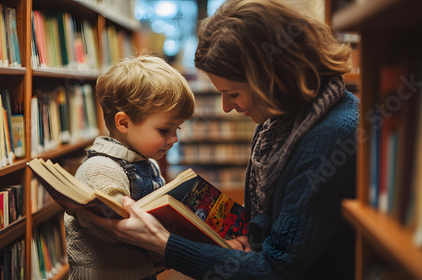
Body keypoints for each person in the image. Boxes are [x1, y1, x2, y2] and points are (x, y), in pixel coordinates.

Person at [87, 0, 359, 279]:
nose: (226, 107)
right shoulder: (282, 121)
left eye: (233, 93)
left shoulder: (330, 137)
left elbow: (278, 269)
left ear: (269, 78)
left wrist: (163, 243)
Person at [64, 55, 195, 280]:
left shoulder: (148, 163)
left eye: (178, 129)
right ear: (124, 123)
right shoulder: (99, 169)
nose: (173, 139)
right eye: (164, 130)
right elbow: (112, 227)